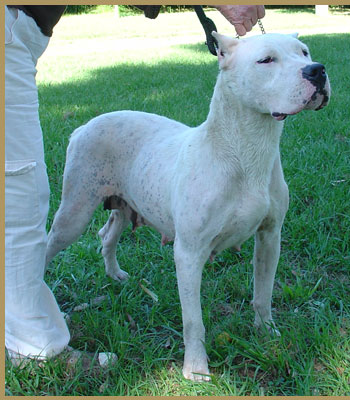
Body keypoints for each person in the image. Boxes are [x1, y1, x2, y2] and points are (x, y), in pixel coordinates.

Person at [5, 5, 265, 366]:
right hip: (13, 40)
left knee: (35, 201)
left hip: (21, 40)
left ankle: (96, 266)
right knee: (53, 224)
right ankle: (31, 314)